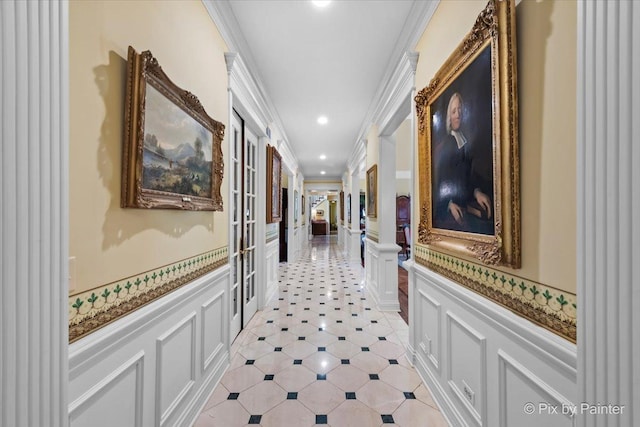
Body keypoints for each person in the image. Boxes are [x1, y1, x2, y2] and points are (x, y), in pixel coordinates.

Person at [433, 92, 493, 234]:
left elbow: (469, 176)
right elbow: (440, 182)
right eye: (454, 111)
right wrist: (449, 205)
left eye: (460, 110)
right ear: (449, 116)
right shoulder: (447, 144)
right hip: (452, 207)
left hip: (466, 201)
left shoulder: (465, 142)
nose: (458, 114)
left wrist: (477, 192)